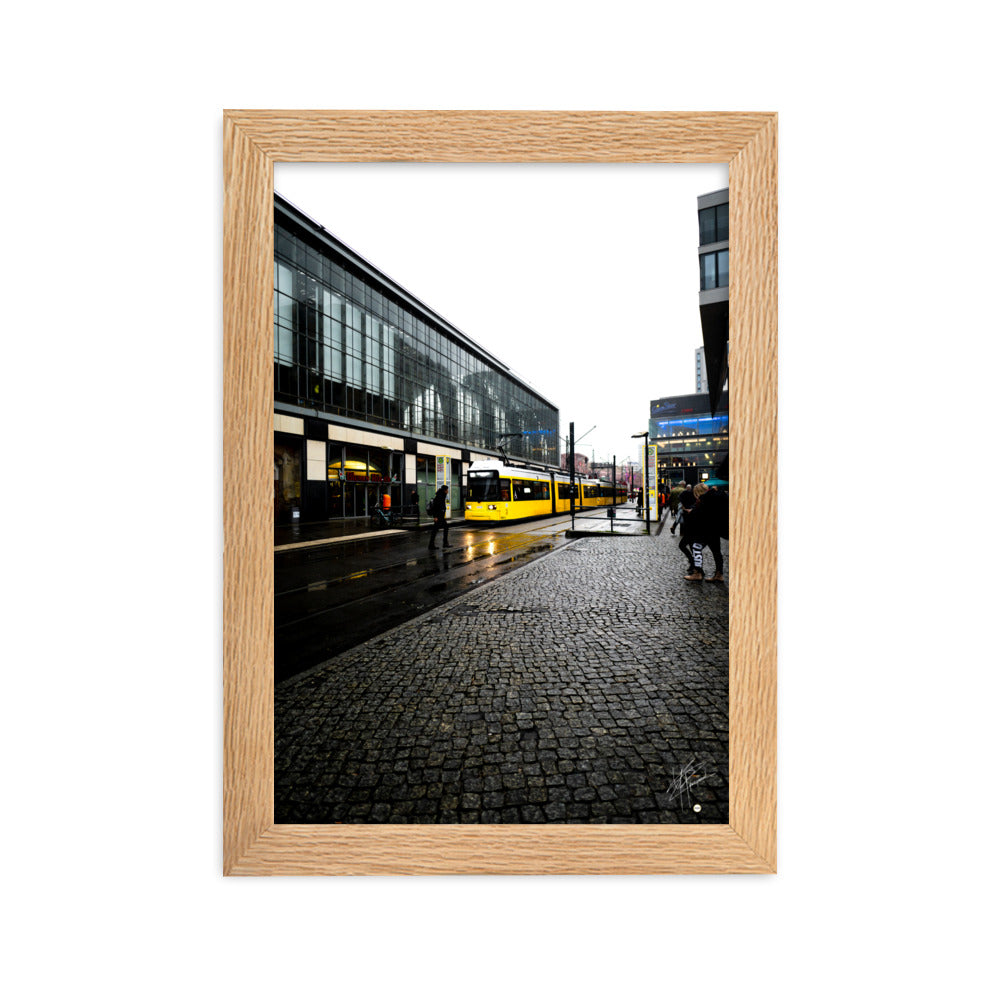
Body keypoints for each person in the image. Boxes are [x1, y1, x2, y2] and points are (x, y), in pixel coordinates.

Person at [683, 483, 726, 582]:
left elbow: (701, 513)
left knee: (696, 548)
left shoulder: (704, 499)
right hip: (715, 529)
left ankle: (697, 573)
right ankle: (719, 574)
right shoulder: (716, 498)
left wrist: (691, 512)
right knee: (716, 552)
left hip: (704, 530)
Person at [676, 483, 698, 571]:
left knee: (683, 546)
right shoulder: (693, 507)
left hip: (691, 531)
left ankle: (694, 564)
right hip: (692, 531)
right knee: (692, 547)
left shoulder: (689, 511)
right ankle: (695, 565)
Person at [427, 485, 450, 550]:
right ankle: (433, 545)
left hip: (440, 516)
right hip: (439, 516)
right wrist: (435, 516)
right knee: (436, 530)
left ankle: (442, 543)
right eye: (447, 490)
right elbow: (435, 507)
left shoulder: (442, 495)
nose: (448, 491)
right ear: (445, 490)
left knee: (442, 528)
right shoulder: (439, 497)